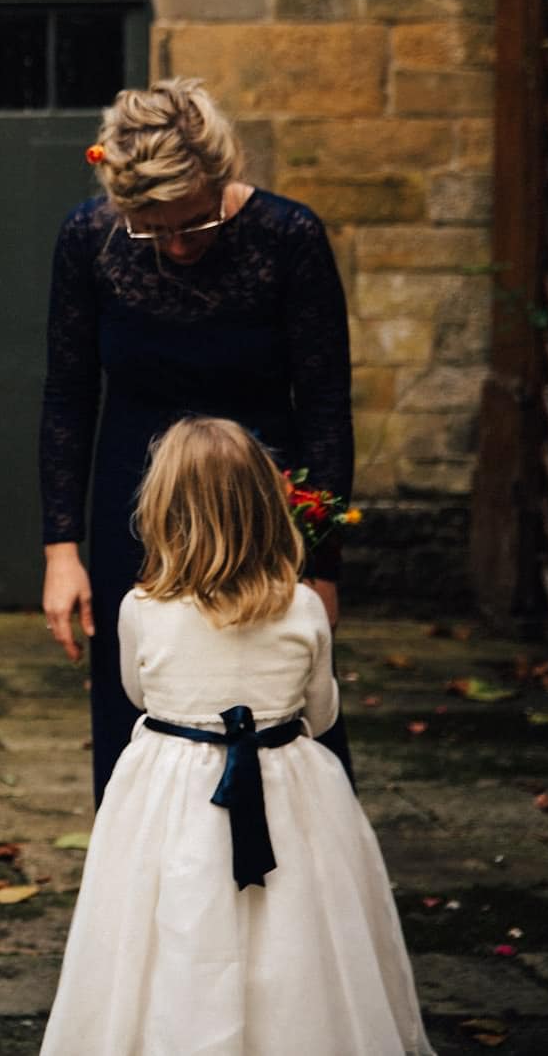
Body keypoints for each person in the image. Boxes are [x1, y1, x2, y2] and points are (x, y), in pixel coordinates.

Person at [40, 418, 428, 1055]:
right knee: (298, 929)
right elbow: (322, 712)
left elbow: (138, 696)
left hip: (171, 794)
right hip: (290, 791)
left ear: (162, 510)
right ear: (267, 506)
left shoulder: (139, 606)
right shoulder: (304, 606)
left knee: (176, 925)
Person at [39, 78, 355, 805]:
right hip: (136, 508)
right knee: (140, 713)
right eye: (153, 227)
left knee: (280, 708)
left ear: (221, 177)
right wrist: (62, 548)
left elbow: (326, 405)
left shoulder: (290, 238)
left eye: (196, 222)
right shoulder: (88, 239)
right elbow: (67, 394)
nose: (178, 245)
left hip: (265, 514)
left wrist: (325, 562)